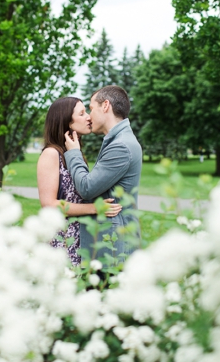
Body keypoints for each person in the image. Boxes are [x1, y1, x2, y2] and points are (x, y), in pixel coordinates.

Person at [37, 97, 122, 266]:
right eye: (82, 114)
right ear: (67, 122)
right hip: (62, 243)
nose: (89, 117)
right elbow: (49, 204)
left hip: (81, 240)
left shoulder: (73, 153)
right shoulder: (51, 154)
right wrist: (94, 208)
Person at [64, 85, 143, 265]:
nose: (89, 116)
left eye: (91, 108)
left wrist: (74, 153)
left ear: (105, 105)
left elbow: (87, 188)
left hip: (113, 247)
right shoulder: (118, 139)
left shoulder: (121, 146)